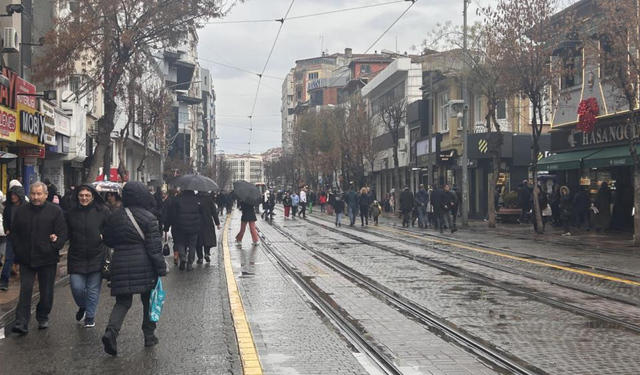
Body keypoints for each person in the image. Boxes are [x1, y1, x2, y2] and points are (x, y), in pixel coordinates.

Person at [101, 181, 167, 355]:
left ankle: (111, 332)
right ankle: (149, 336)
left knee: (122, 302)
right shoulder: (149, 218)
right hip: (144, 265)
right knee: (148, 301)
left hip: (120, 264)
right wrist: (161, 268)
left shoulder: (115, 216)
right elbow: (154, 248)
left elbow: (108, 240)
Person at [10, 182, 68, 334]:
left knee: (46, 291)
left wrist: (52, 247)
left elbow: (62, 235)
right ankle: (21, 322)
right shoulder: (22, 211)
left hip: (47, 259)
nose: (36, 197)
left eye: (39, 194)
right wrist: (18, 250)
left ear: (46, 194)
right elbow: (14, 233)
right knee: (26, 289)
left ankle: (43, 316)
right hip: (26, 258)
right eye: (33, 194)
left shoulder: (55, 211)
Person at [66, 184, 110, 328]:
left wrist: (105, 236)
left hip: (96, 254)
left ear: (92, 197)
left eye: (87, 195)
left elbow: (110, 229)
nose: (84, 198)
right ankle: (83, 306)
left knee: (92, 289)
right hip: (76, 255)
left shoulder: (103, 211)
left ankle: (90, 316)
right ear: (77, 196)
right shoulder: (71, 213)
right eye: (81, 195)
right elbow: (65, 232)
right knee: (76, 287)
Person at [0, 184, 25, 291]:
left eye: (15, 195)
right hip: (12, 236)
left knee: (24, 258)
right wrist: (7, 229)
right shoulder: (9, 207)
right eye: (12, 195)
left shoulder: (25, 207)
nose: (13, 197)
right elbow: (5, 219)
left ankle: (27, 277)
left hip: (24, 237)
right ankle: (4, 281)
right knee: (8, 258)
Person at [169, 190, 202, 271]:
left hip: (180, 226)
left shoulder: (178, 199)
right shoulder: (197, 200)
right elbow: (201, 212)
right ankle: (190, 264)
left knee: (181, 243)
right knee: (192, 245)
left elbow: (173, 213)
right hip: (194, 226)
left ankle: (183, 257)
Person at [196, 192, 221, 265]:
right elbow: (214, 212)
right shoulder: (209, 199)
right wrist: (217, 223)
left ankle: (200, 257)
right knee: (208, 238)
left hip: (197, 221)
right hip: (208, 221)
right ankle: (207, 253)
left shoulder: (195, 198)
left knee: (198, 240)